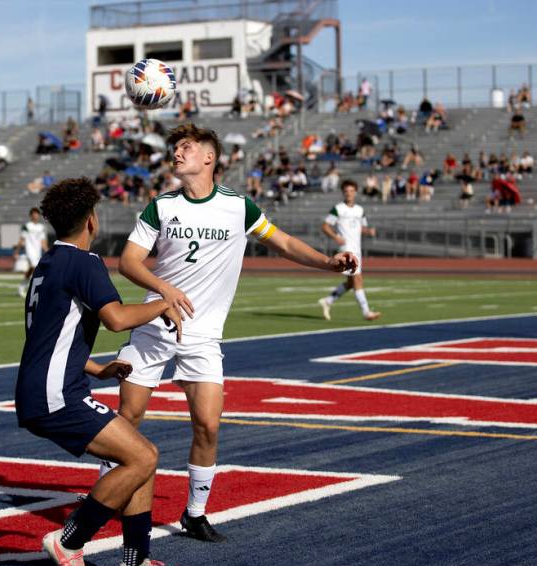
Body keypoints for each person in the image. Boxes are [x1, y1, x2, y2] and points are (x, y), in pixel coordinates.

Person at [106, 123, 357, 543]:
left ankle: (195, 513)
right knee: (127, 419)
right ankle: (106, 496)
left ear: (209, 158)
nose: (177, 153)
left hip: (203, 335)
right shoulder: (161, 206)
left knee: (208, 425)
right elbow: (128, 262)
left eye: (186, 147)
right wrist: (163, 288)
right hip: (154, 327)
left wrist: (328, 263)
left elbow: (286, 243)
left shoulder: (238, 206)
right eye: (176, 147)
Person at [15, 178, 191, 566]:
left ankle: (137, 563)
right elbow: (115, 318)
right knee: (143, 456)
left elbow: (47, 335)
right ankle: (70, 540)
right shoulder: (84, 262)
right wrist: (162, 303)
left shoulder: (47, 264)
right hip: (56, 394)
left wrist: (95, 369)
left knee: (139, 454)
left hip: (46, 386)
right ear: (92, 220)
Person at [318, 179, 382, 322]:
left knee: (351, 282)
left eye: (351, 191)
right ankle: (366, 312)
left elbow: (362, 228)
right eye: (346, 191)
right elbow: (325, 226)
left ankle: (328, 301)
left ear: (356, 192)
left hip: (357, 248)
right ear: (343, 193)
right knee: (358, 279)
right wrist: (336, 237)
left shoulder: (360, 210)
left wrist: (369, 231)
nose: (349, 194)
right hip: (346, 249)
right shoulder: (338, 208)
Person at [17, 207, 49, 298]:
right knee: (34, 267)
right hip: (29, 251)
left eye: (37, 214)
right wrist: (17, 250)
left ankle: (22, 286)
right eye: (34, 214)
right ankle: (33, 289)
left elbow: (43, 241)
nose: (35, 216)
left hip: (37, 252)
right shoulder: (27, 226)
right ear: (31, 215)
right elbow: (22, 239)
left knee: (33, 270)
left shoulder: (41, 227)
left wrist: (47, 250)